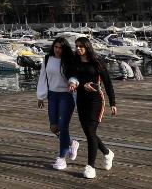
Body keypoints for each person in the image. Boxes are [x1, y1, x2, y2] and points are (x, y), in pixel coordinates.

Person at [68, 36, 117, 179]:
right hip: (81, 100)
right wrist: (76, 83)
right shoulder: (75, 62)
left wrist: (112, 103)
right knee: (90, 134)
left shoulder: (97, 62)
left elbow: (107, 83)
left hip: (96, 101)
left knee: (90, 131)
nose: (78, 48)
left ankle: (90, 166)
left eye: (80, 46)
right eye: (76, 46)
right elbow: (72, 76)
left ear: (87, 47)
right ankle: (107, 152)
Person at [36, 36, 79, 170]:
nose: (58, 50)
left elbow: (75, 75)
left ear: (64, 49)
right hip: (52, 95)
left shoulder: (70, 60)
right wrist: (41, 96)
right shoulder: (47, 59)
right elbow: (43, 77)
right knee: (54, 128)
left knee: (63, 126)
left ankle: (61, 158)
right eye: (56, 47)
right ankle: (72, 143)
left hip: (67, 95)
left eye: (61, 48)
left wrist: (73, 82)